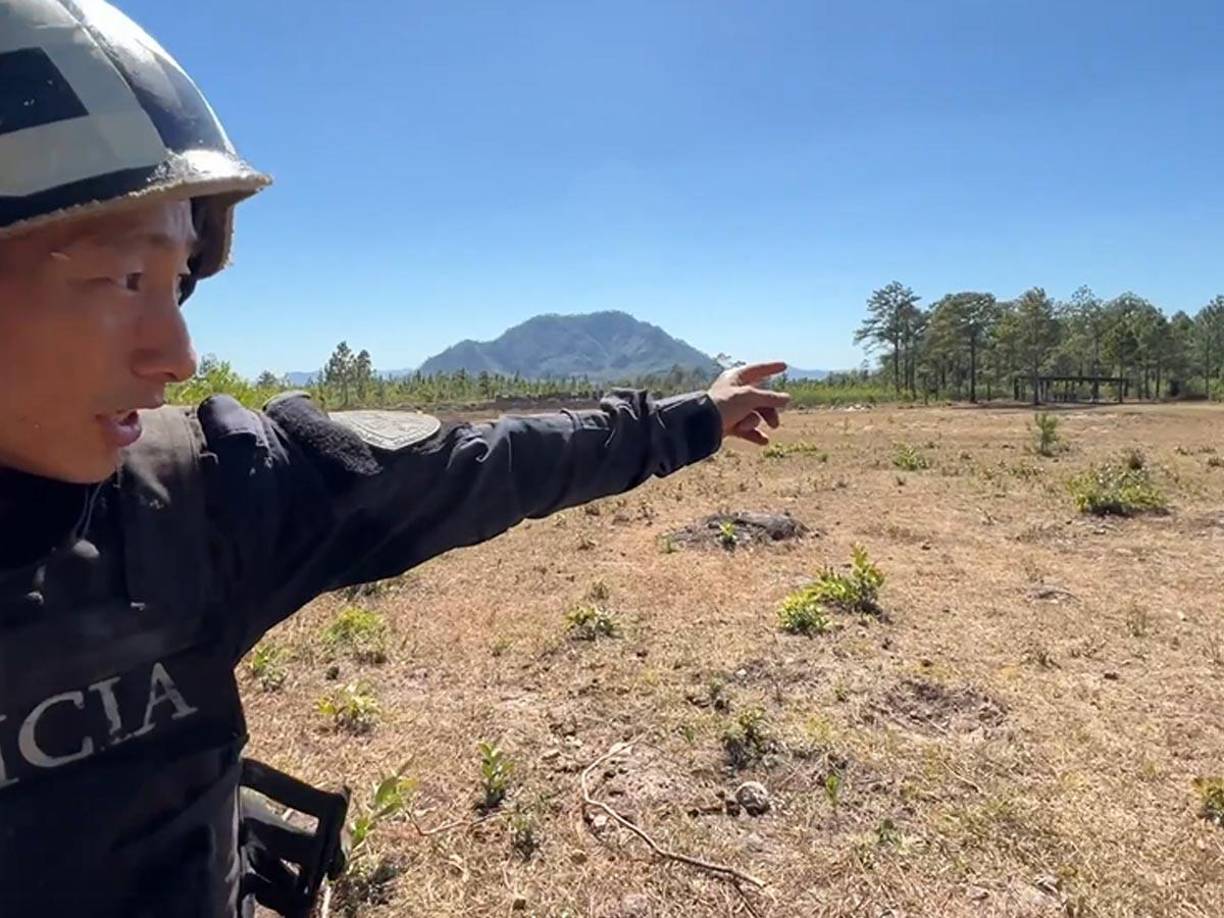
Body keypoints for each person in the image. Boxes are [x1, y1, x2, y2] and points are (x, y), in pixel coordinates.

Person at [0, 1, 791, 915]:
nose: (177, 354)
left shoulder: (206, 497)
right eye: (119, 278)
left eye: (178, 281)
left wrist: (695, 417)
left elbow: (480, 465)